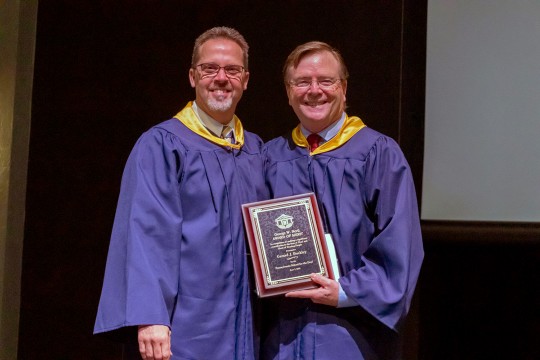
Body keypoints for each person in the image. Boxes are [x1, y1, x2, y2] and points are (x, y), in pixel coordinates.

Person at [94, 27, 267, 360]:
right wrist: (150, 316)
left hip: (244, 327)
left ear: (246, 79)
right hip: (183, 329)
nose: (221, 78)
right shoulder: (162, 145)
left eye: (232, 70)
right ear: (192, 76)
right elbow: (144, 234)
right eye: (209, 68)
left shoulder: (256, 151)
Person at [261, 41, 424, 359]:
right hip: (282, 336)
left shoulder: (377, 153)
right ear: (288, 92)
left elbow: (400, 244)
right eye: (302, 82)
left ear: (344, 88)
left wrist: (345, 291)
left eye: (326, 80)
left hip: (351, 333)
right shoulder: (270, 157)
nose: (314, 90)